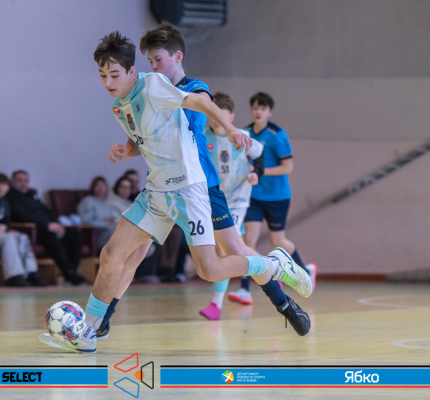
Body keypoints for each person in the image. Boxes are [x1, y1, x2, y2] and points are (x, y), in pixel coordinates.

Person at [39, 31, 312, 353]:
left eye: (114, 74)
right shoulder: (120, 105)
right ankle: (90, 329)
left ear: (132, 71)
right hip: (157, 191)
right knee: (113, 254)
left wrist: (230, 129)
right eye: (102, 75)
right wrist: (126, 149)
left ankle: (273, 265)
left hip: (190, 187)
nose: (108, 82)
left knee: (210, 268)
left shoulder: (155, 85)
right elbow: (145, 139)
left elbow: (201, 101)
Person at [198, 92, 265, 319]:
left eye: (222, 116)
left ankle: (216, 304)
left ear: (231, 118)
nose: (216, 120)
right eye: (212, 115)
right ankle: (271, 266)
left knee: (226, 248)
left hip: (237, 200)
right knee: (228, 249)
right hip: (215, 200)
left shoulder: (241, 136)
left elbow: (260, 154)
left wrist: (256, 173)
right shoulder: (201, 137)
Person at [242, 92, 317, 290]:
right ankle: (244, 289)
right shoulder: (245, 133)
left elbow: (287, 167)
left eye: (263, 108)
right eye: (255, 108)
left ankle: (305, 272)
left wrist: (259, 171)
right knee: (248, 240)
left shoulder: (278, 135)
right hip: (254, 196)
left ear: (270, 112)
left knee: (277, 240)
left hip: (277, 196)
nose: (258, 112)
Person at [7, 170, 87, 286]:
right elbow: (22, 216)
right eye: (20, 180)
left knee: (75, 234)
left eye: (26, 181)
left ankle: (72, 271)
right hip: (34, 231)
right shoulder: (11, 197)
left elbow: (47, 211)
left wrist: (57, 224)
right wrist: (47, 225)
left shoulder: (32, 196)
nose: (23, 184)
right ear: (12, 182)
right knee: (50, 238)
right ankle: (68, 272)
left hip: (49, 228)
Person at [77, 177, 120, 247]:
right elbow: (85, 221)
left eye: (103, 186)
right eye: (98, 186)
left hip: (112, 230)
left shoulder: (108, 203)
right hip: (98, 234)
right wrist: (105, 223)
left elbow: (113, 219)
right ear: (93, 187)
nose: (100, 188)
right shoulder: (88, 201)